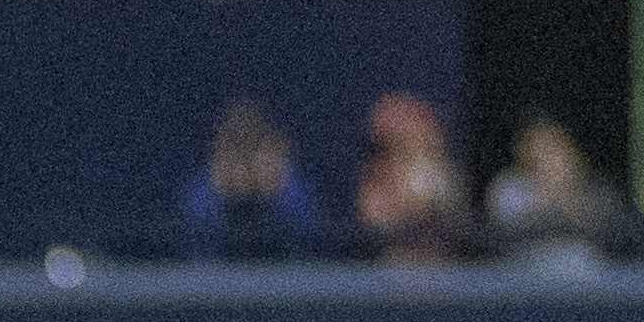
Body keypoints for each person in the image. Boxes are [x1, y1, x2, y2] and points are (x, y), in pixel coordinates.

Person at [176, 97, 321, 259]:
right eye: (237, 139)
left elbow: (309, 233)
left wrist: (275, 189)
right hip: (217, 273)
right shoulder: (209, 180)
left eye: (252, 136)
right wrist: (219, 190)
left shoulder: (282, 177)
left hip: (278, 272)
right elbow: (189, 235)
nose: (245, 145)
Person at [484, 114, 621, 264]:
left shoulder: (594, 188)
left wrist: (566, 196)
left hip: (583, 269)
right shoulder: (509, 186)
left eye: (553, 149)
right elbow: (502, 235)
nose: (546, 159)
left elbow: (607, 233)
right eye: (538, 150)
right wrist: (541, 198)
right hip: (523, 266)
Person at [355, 90, 465, 265]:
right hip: (393, 257)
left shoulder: (436, 168)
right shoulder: (377, 172)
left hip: (441, 258)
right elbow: (373, 219)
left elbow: (451, 211)